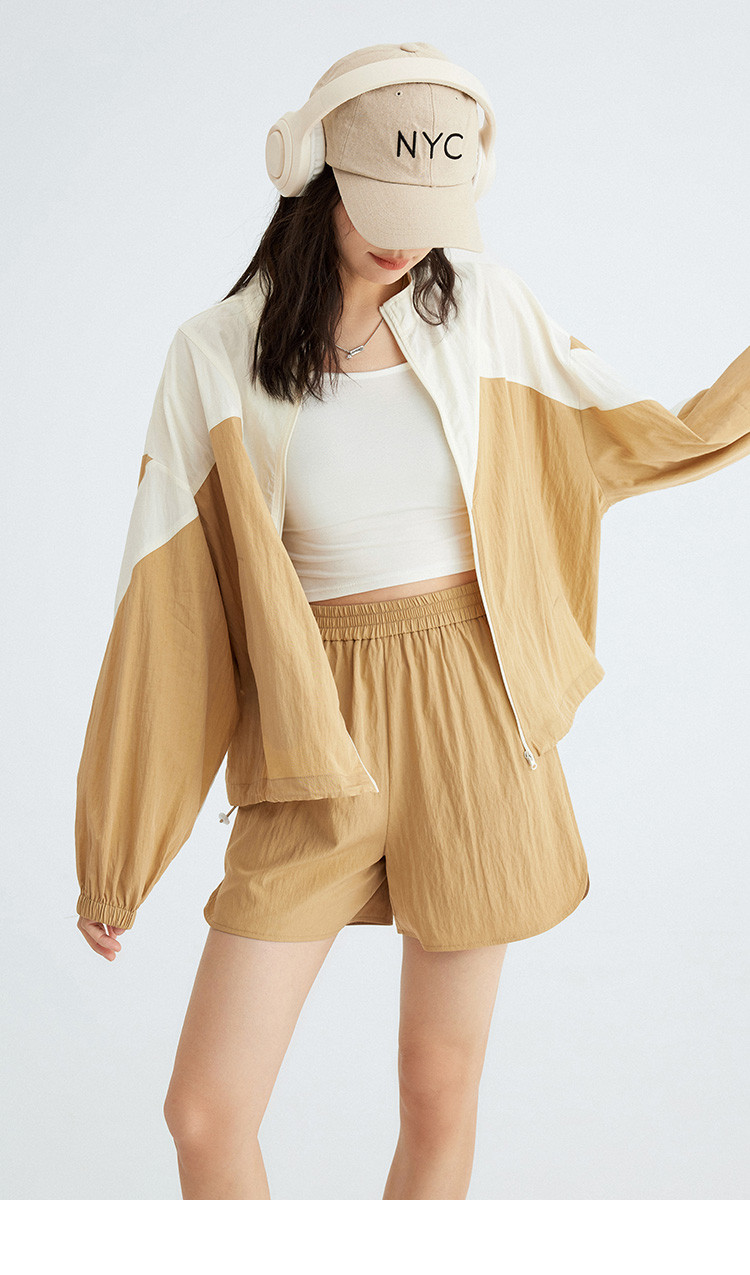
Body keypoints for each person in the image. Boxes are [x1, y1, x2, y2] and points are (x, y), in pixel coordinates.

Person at [73, 42, 750, 1200]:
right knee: (206, 1113)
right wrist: (118, 852)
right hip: (313, 730)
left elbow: (642, 434)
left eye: (430, 213)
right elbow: (168, 612)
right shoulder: (215, 355)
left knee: (439, 1087)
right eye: (382, 206)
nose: (406, 241)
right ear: (315, 174)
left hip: (475, 708)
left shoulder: (489, 308)